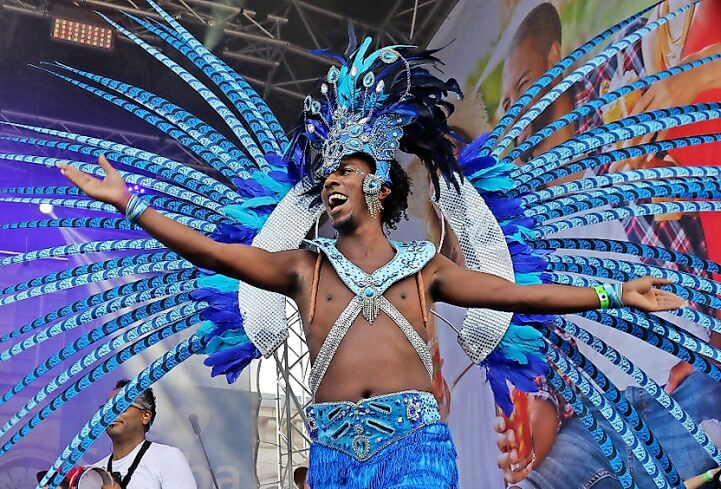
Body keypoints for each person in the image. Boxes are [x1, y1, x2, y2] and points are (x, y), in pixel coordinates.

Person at [60, 144, 682, 487]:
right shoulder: (303, 268)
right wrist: (131, 205)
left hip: (416, 445)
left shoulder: (424, 268)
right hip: (332, 452)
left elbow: (518, 296)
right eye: (328, 174)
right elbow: (213, 251)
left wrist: (616, 293)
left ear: (381, 189)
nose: (332, 181)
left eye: (348, 173)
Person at [91, 380, 197, 489]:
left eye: (121, 406)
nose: (111, 413)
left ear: (145, 416)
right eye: (107, 409)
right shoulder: (94, 472)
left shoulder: (167, 457)